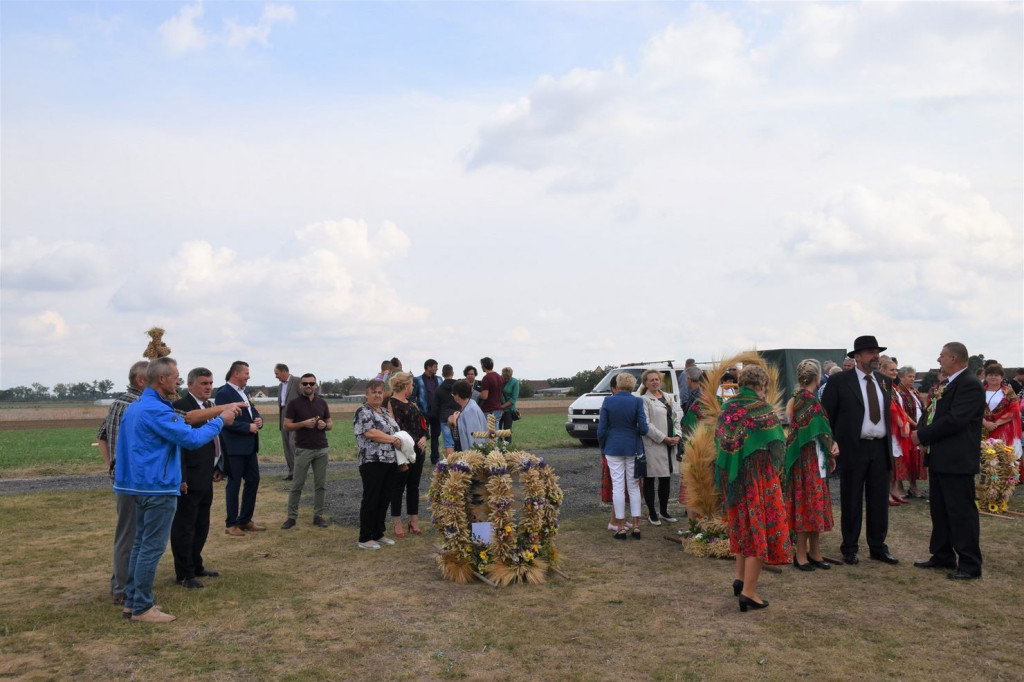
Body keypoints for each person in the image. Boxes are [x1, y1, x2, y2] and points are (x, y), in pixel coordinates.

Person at [114, 357, 236, 623]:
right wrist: (220, 420)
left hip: (137, 485)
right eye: (175, 377)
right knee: (150, 549)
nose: (178, 381)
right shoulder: (155, 411)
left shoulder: (136, 407)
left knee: (140, 545)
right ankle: (143, 607)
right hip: (156, 488)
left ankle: (132, 602)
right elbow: (190, 439)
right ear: (161, 380)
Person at [715, 365, 791, 612]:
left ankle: (740, 579)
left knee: (742, 526)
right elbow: (778, 443)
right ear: (761, 385)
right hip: (759, 477)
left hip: (734, 477)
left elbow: (721, 441)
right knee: (760, 528)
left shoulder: (727, 407)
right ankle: (749, 592)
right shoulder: (762, 409)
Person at [820, 335, 898, 566]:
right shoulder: (840, 381)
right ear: (857, 356)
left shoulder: (885, 381)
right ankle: (850, 547)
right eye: (870, 352)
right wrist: (831, 442)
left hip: (879, 447)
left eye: (876, 351)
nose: (875, 356)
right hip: (854, 448)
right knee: (852, 499)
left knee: (878, 501)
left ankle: (878, 546)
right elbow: (828, 416)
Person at [912, 342, 985, 579]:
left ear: (954, 358)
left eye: (942, 355)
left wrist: (922, 435)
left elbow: (955, 420)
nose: (938, 359)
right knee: (940, 510)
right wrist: (921, 430)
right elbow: (932, 411)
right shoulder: (948, 383)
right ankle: (942, 555)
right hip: (941, 457)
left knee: (961, 512)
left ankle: (970, 564)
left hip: (957, 459)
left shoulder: (970, 385)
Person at [171, 367, 238, 589]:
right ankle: (184, 573)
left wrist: (218, 465)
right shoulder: (181, 408)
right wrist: (180, 476)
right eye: (203, 383)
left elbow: (215, 439)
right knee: (185, 526)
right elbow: (178, 444)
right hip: (188, 476)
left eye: (210, 383)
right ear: (190, 385)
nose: (208, 387)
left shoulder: (209, 406)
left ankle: (196, 565)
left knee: (202, 525)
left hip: (206, 474)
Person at [97, 360, 149, 605]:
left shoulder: (119, 403)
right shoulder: (131, 404)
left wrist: (111, 469)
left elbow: (102, 437)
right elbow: (103, 437)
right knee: (129, 534)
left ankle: (123, 581)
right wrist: (114, 471)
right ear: (141, 381)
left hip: (128, 478)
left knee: (134, 533)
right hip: (132, 480)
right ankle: (121, 589)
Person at [784, 359, 837, 571]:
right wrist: (831, 448)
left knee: (811, 504)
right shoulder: (810, 401)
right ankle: (801, 554)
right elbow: (821, 430)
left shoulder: (797, 398)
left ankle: (814, 551)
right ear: (817, 377)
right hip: (810, 458)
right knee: (807, 504)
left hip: (808, 457)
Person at [215, 360, 265, 536]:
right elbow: (224, 421)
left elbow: (253, 412)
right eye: (246, 373)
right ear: (236, 374)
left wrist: (259, 420)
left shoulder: (244, 393)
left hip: (250, 446)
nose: (248, 376)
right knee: (234, 485)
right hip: (234, 448)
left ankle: (245, 520)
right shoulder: (224, 394)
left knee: (253, 481)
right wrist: (247, 427)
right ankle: (231, 524)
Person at [597, 372, 648, 540]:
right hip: (633, 447)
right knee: (634, 487)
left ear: (617, 385)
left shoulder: (608, 401)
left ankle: (619, 527)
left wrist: (603, 446)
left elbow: (602, 429)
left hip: (613, 447)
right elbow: (644, 429)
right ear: (633, 386)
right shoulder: (637, 401)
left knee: (618, 486)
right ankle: (636, 526)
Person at [353, 379, 401, 550]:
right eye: (374, 392)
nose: (377, 395)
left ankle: (378, 533)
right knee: (371, 499)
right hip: (372, 461)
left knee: (384, 498)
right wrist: (393, 439)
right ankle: (365, 537)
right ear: (367, 394)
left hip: (389, 461)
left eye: (380, 392)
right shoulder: (363, 411)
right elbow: (371, 433)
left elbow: (396, 430)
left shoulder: (385, 413)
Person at [281, 373, 332, 530]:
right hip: (303, 449)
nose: (308, 386)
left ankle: (318, 516)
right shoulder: (294, 404)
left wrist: (324, 425)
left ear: (316, 385)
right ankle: (291, 517)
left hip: (321, 449)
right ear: (300, 386)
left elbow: (330, 423)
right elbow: (286, 426)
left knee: (320, 485)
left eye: (311, 383)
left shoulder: (322, 403)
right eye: (305, 384)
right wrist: (303, 423)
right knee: (297, 484)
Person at [387, 372, 428, 538]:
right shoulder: (390, 403)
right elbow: (391, 427)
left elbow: (423, 425)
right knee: (398, 487)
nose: (413, 388)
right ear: (405, 386)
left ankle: (414, 520)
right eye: (411, 385)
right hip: (401, 452)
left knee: (414, 486)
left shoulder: (413, 404)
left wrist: (424, 437)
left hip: (418, 451)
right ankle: (397, 523)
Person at [638, 369, 681, 525]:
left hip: (670, 444)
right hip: (654, 445)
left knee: (665, 479)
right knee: (650, 478)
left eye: (657, 379)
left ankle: (664, 511)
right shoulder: (644, 400)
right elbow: (646, 424)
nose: (655, 382)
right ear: (646, 383)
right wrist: (663, 438)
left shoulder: (668, 397)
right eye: (652, 380)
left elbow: (676, 418)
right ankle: (652, 513)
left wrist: (678, 436)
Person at [880, 357, 913, 506]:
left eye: (896, 370)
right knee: (890, 462)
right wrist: (901, 424)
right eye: (891, 370)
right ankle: (886, 492)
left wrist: (905, 423)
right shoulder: (883, 386)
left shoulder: (893, 387)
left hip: (898, 428)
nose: (895, 372)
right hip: (890, 429)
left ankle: (894, 490)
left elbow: (900, 408)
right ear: (883, 370)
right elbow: (891, 408)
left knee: (897, 462)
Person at [980, 363, 1022, 467]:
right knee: (986, 459)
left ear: (1001, 377)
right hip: (983, 429)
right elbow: (973, 409)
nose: (993, 377)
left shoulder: (1009, 392)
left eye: (996, 375)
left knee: (1004, 459)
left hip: (1004, 430)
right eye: (990, 375)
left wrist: (994, 424)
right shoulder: (979, 391)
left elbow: (1014, 411)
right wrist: (985, 423)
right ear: (986, 376)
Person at [896, 366, 927, 499]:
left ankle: (913, 486)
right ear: (901, 377)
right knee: (905, 458)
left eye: (914, 376)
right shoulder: (899, 392)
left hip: (918, 428)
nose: (913, 379)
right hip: (908, 428)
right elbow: (901, 411)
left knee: (915, 458)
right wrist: (915, 424)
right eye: (910, 376)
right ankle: (901, 486)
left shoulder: (914, 391)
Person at [274, 363, 302, 481]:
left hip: (295, 418)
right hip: (283, 417)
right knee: (286, 446)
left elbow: (306, 397)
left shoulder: (297, 381)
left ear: (284, 371)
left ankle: (299, 473)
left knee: (293, 444)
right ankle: (291, 472)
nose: (276, 376)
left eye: (277, 373)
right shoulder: (280, 386)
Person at [412, 359, 443, 464]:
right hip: (423, 413)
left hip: (436, 412)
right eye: (435, 366)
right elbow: (413, 397)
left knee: (436, 435)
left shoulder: (439, 379)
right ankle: (421, 457)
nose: (437, 368)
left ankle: (435, 458)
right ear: (428, 367)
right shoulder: (417, 380)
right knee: (421, 435)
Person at [451, 379, 489, 449]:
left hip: (472, 455)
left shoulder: (469, 411)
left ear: (457, 396)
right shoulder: (468, 407)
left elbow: (474, 440)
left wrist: (455, 423)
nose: (453, 396)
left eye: (453, 394)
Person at [432, 364, 461, 455]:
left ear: (442, 374)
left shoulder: (439, 389)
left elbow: (435, 406)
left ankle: (451, 465)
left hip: (444, 417)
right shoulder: (459, 386)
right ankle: (463, 463)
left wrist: (438, 416)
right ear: (452, 373)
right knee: (461, 441)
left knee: (449, 443)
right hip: (458, 416)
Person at [499, 367, 520, 433]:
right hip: (498, 409)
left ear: (511, 376)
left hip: (509, 409)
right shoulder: (498, 380)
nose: (505, 379)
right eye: (504, 377)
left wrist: (502, 407)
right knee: (497, 429)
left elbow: (513, 399)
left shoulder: (515, 382)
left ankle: (507, 442)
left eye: (507, 378)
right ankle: (498, 442)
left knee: (507, 430)